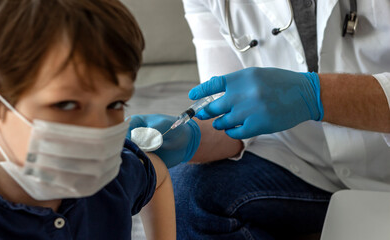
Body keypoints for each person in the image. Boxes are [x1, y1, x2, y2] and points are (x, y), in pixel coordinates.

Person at [128, 0, 390, 239]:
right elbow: (225, 109)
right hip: (303, 163)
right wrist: (192, 138)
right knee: (188, 193)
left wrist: (315, 96)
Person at [0, 0, 176, 239]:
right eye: (67, 105)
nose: (99, 131)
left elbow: (158, 175)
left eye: (115, 104)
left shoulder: (113, 177)